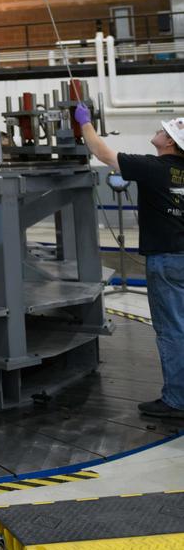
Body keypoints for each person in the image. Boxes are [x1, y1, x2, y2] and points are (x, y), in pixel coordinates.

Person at [76, 105, 184, 420]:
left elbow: (101, 152)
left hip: (166, 261)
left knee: (171, 331)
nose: (159, 132)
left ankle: (177, 400)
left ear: (170, 142)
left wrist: (85, 124)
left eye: (164, 130)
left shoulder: (154, 167)